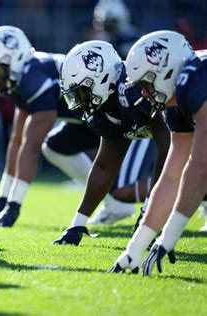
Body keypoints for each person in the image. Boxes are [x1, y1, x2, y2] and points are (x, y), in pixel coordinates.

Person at [0, 26, 147, 227]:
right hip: (91, 117)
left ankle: (176, 198)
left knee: (126, 187)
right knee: (54, 147)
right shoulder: (22, 78)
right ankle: (114, 204)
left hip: (123, 116)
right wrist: (2, 199)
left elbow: (30, 146)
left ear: (13, 59)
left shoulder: (33, 78)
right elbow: (17, 140)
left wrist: (14, 205)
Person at [52, 40, 170, 246]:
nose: (79, 101)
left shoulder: (136, 88)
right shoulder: (107, 109)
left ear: (103, 78)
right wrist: (77, 224)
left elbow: (170, 147)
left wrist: (149, 212)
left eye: (81, 92)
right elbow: (104, 167)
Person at [110, 30, 205, 275]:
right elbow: (171, 177)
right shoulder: (176, 101)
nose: (143, 92)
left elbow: (200, 165)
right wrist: (135, 248)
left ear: (167, 71)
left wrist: (169, 235)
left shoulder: (195, 81)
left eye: (145, 82)